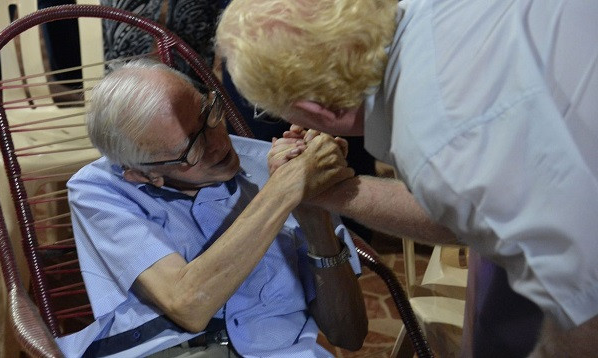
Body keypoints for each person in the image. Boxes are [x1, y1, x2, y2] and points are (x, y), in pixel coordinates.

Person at [216, 0, 598, 356]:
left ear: (320, 109)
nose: (293, 126)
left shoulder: (439, 148)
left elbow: (587, 314)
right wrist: (335, 192)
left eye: (282, 114)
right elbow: (463, 216)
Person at [56, 58, 368, 357]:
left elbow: (349, 334)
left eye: (210, 115)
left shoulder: (273, 165)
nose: (218, 143)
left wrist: (314, 216)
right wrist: (284, 190)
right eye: (190, 147)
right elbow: (188, 305)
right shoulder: (100, 190)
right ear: (145, 174)